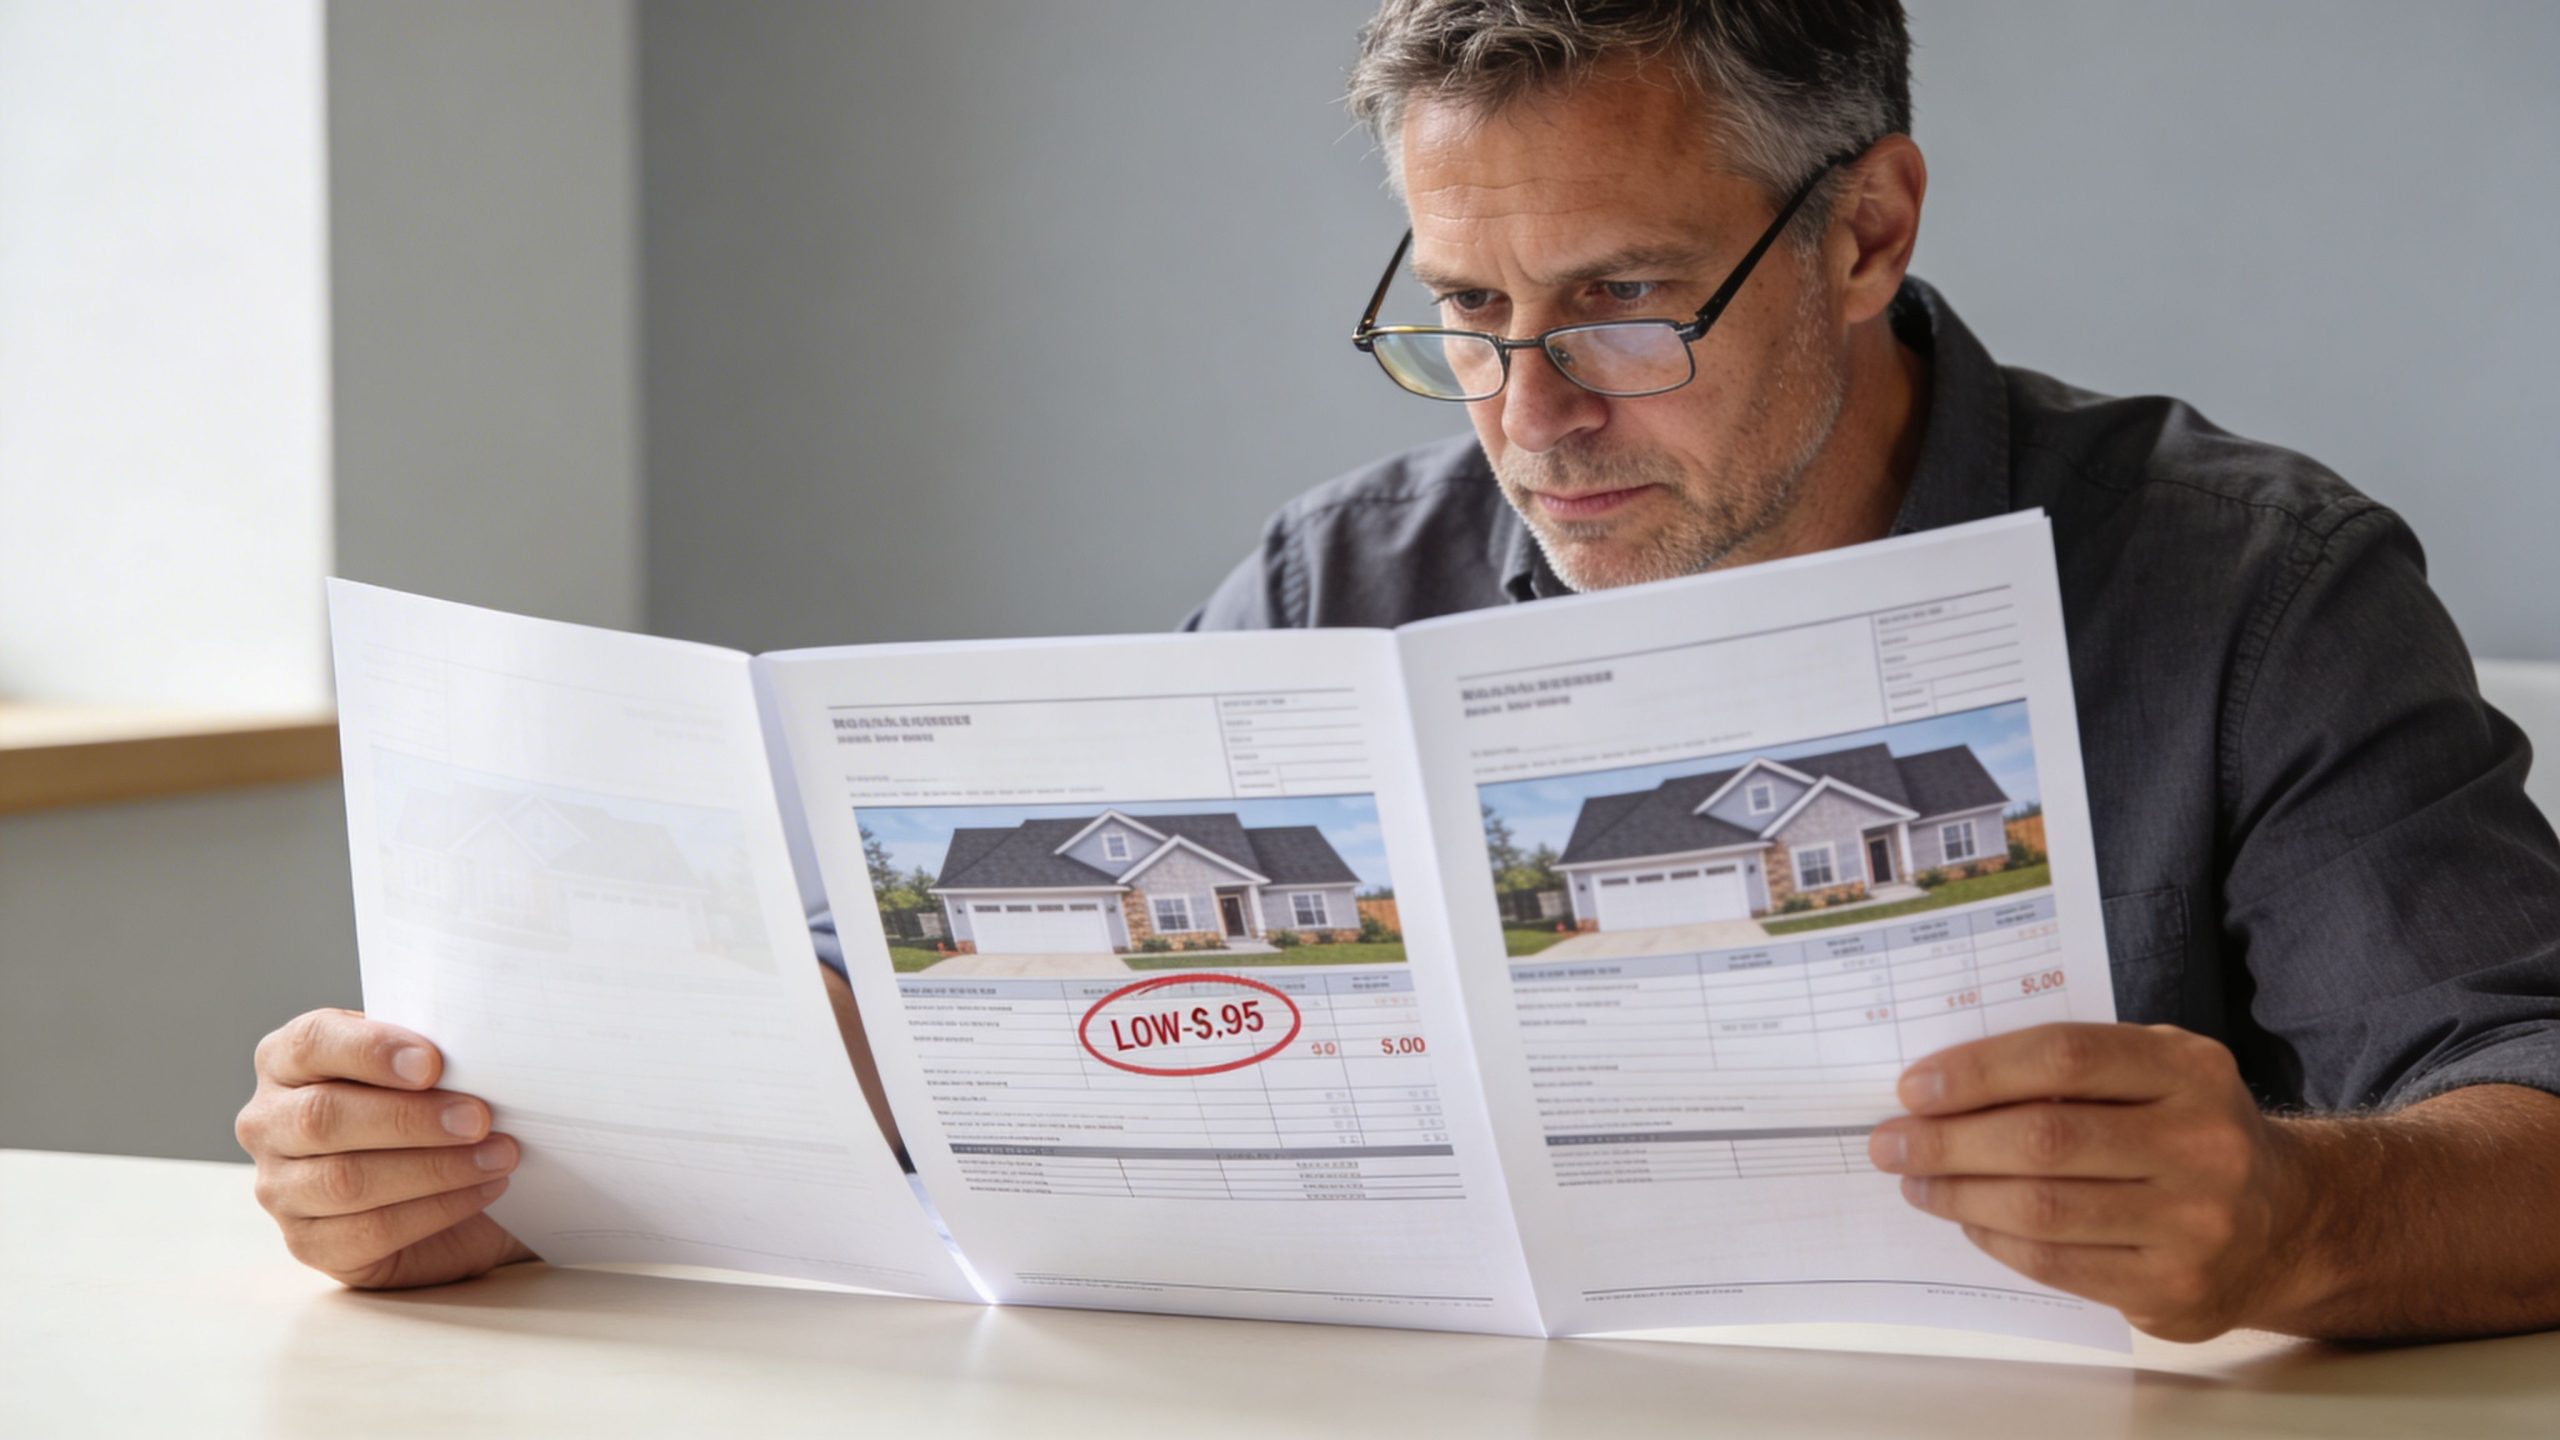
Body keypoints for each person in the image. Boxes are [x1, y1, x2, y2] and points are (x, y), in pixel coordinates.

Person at [236, 0, 2560, 1342]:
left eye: (1624, 306)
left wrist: (2293, 1210)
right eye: (1460, 313)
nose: (1528, 416)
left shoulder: (2248, 585)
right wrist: (499, 1160)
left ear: (1867, 228)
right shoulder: (1347, 586)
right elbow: (948, 1062)